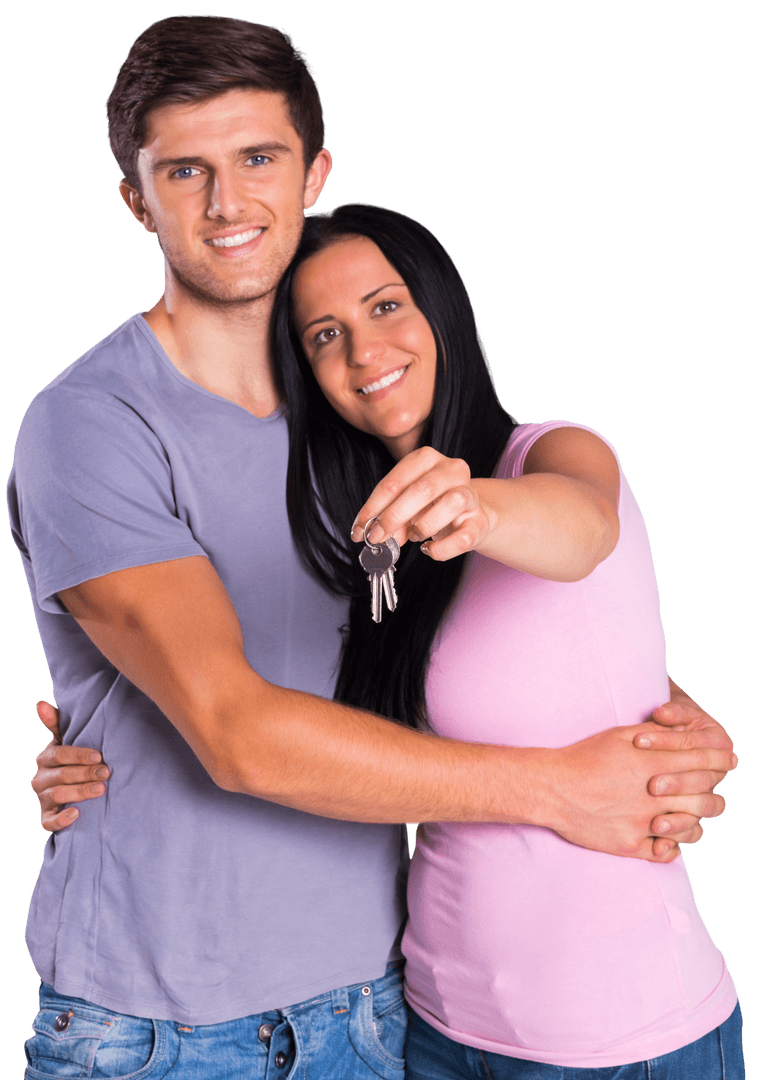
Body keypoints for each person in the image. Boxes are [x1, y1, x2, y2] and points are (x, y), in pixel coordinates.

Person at [11, 15, 735, 1080]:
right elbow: (239, 735)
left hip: (378, 1002)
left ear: (313, 173)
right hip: (168, 1029)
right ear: (137, 200)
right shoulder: (91, 422)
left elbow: (508, 603)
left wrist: (659, 712)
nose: (227, 204)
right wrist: (557, 788)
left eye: (258, 157)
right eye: (186, 172)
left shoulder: (360, 428)